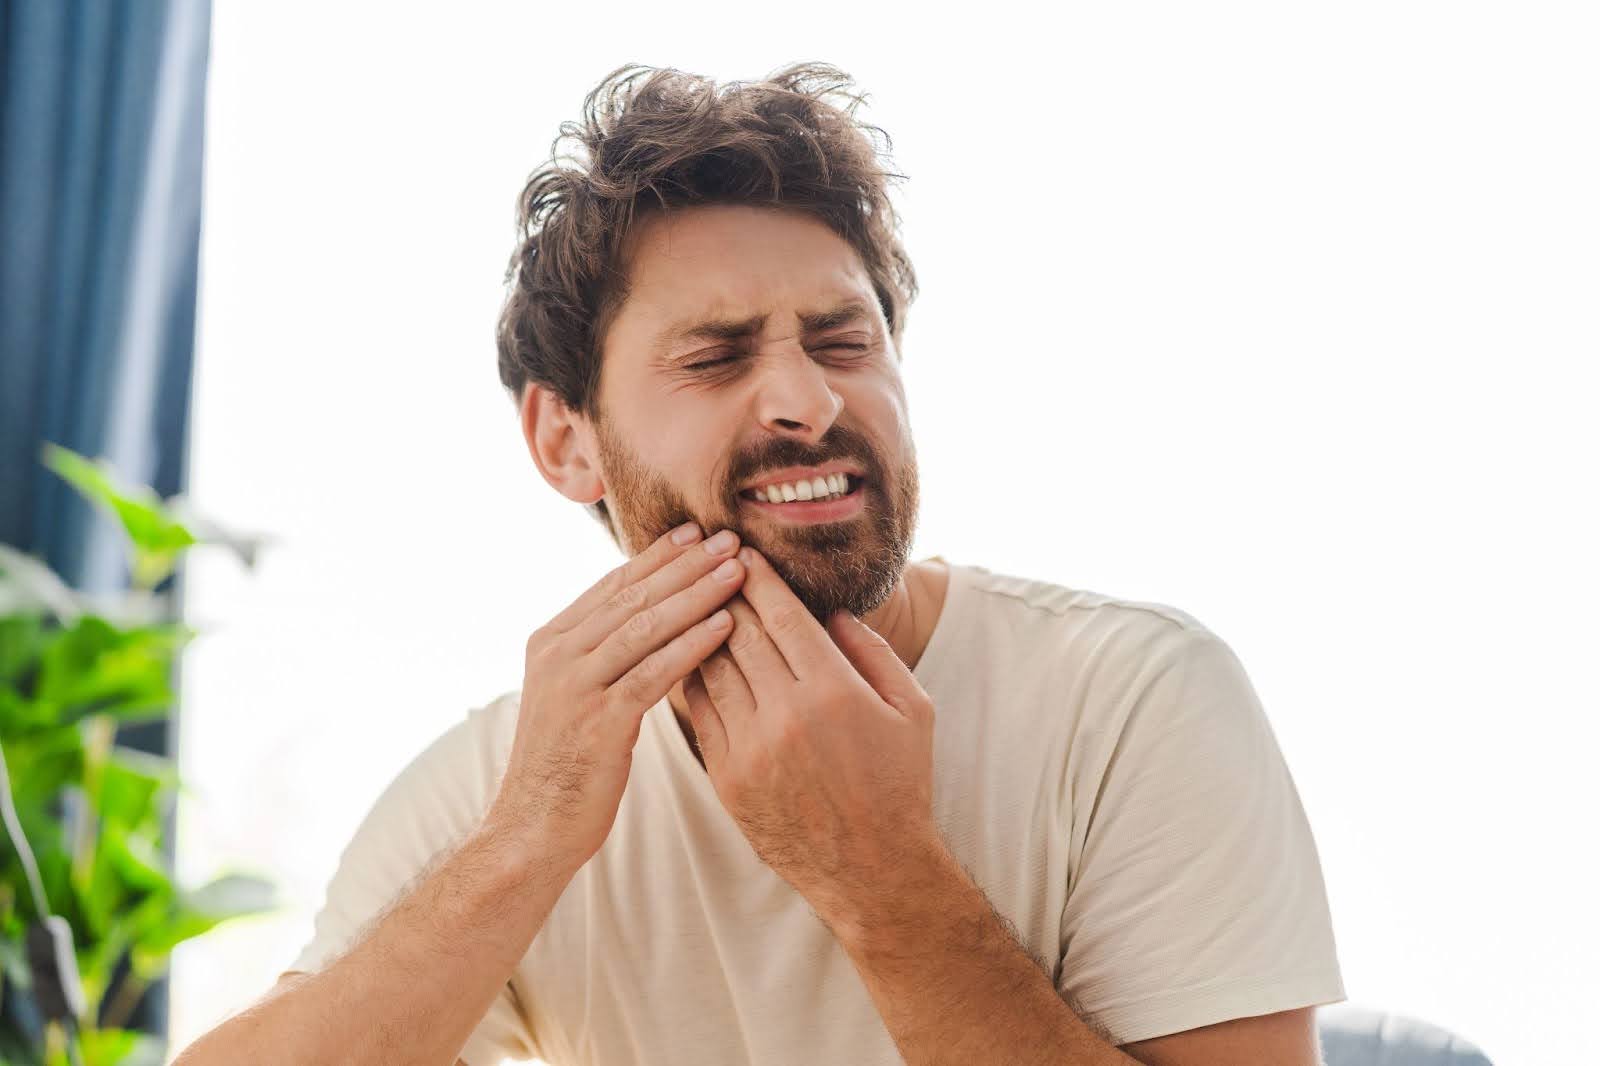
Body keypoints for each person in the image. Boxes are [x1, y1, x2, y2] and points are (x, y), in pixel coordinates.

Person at [174, 62, 1345, 1066]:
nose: (807, 398)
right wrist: (526, 840)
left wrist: (882, 875)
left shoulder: (1134, 696)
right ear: (564, 439)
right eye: (716, 356)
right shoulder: (516, 771)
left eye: (844, 340)